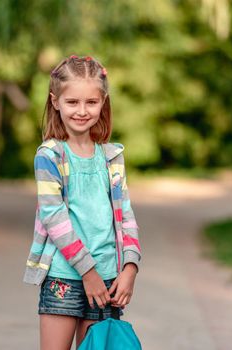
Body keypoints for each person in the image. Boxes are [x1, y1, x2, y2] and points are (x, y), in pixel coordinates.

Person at [23, 55, 142, 350]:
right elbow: (54, 218)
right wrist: (88, 273)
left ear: (103, 103)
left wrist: (130, 267)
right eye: (72, 102)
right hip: (64, 279)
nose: (81, 111)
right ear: (55, 101)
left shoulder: (111, 157)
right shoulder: (50, 155)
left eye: (91, 102)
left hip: (108, 280)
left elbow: (125, 215)